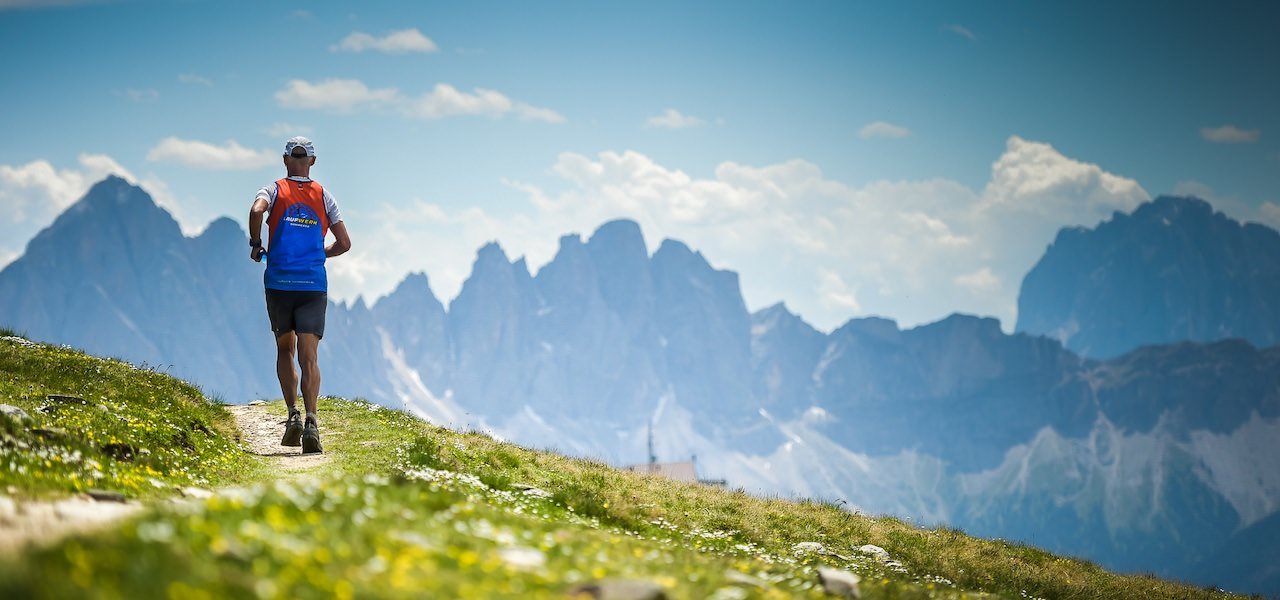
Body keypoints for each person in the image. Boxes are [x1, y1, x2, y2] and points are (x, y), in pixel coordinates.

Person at [248, 136, 351, 454]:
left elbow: (256, 210)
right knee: (310, 357)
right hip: (312, 285)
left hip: (279, 282)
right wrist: (319, 256)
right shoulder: (325, 196)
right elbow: (345, 243)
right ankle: (311, 421)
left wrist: (256, 243)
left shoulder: (273, 189)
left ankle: (292, 413)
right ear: (313, 162)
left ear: (285, 160)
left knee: (284, 349)